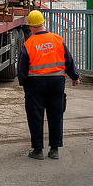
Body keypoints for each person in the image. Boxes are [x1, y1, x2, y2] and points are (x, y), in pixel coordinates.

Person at [17, 10, 80, 160]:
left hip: (36, 83)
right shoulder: (58, 40)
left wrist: (24, 85)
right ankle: (54, 149)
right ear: (44, 23)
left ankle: (38, 150)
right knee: (56, 114)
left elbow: (21, 69)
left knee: (35, 115)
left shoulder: (28, 44)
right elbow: (69, 60)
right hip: (57, 82)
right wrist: (75, 77)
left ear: (31, 27)